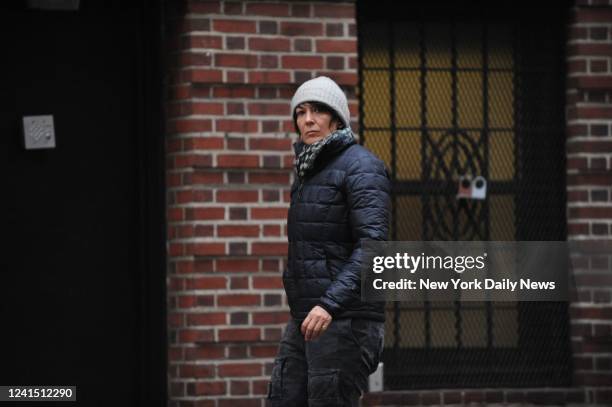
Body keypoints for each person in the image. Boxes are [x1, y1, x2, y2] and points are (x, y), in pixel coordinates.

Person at [267, 76, 391, 407]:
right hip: (306, 317)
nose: (308, 119)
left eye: (318, 111)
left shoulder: (361, 166)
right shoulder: (309, 171)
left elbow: (373, 247)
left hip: (345, 321)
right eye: (301, 112)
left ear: (336, 118)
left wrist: (329, 304)